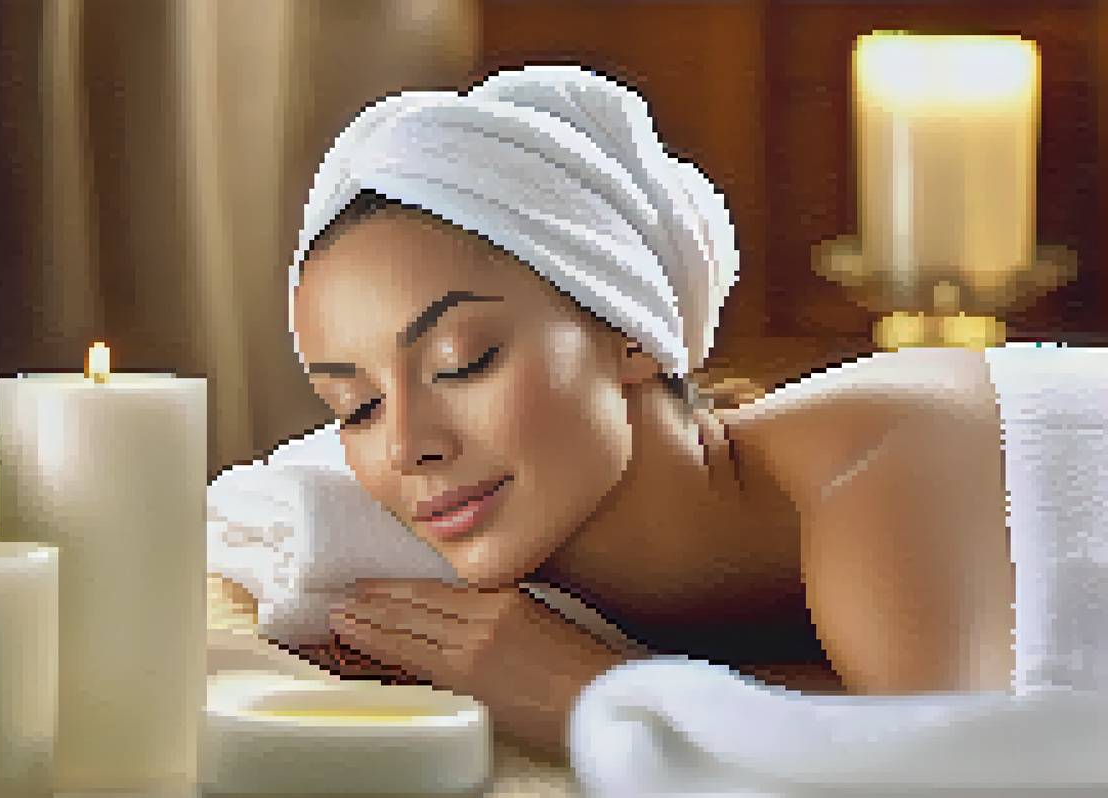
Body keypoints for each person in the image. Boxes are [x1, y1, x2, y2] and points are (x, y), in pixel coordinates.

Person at [207, 66, 1098, 791]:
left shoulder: (879, 464)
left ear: (631, 333)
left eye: (463, 362)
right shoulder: (515, 538)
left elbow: (961, 772)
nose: (407, 447)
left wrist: (593, 694)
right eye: (356, 407)